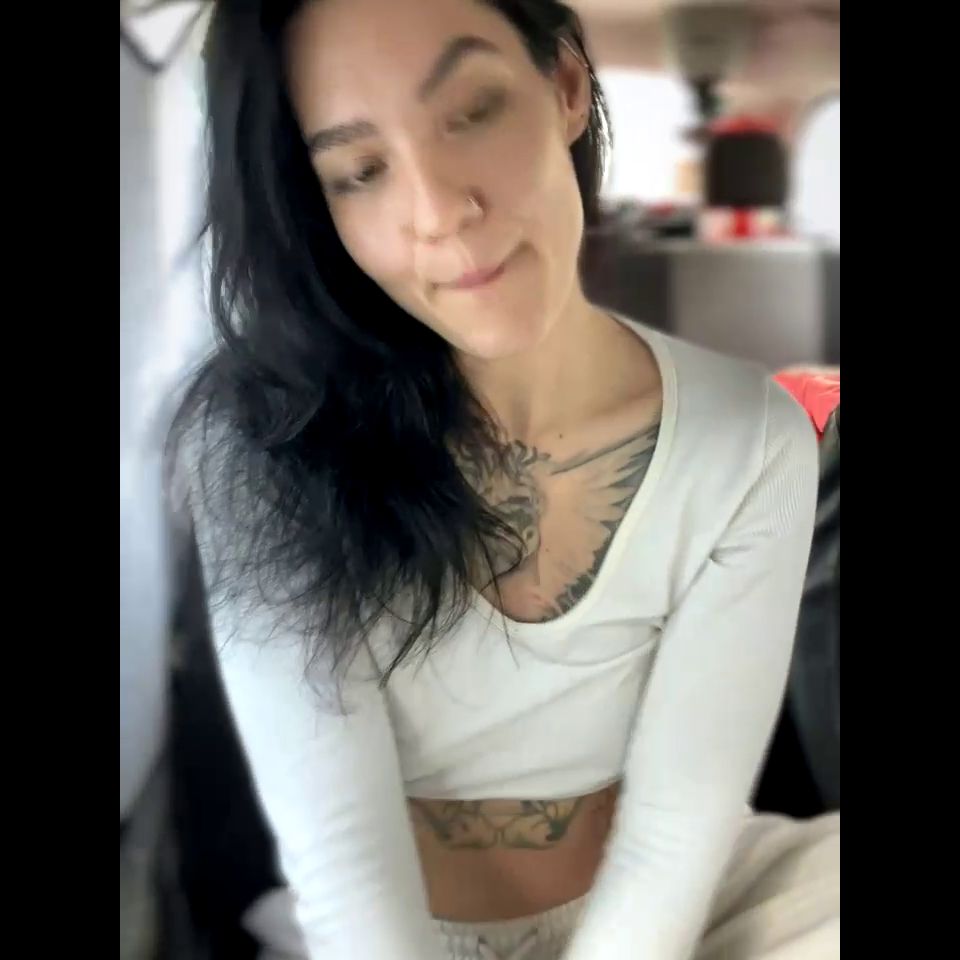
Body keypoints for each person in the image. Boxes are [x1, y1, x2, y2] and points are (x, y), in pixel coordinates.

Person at [168, 1, 840, 958]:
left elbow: (677, 831)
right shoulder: (264, 446)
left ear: (565, 86)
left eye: (472, 111)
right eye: (360, 171)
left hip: (689, 910)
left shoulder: (751, 440)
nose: (440, 211)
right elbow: (343, 862)